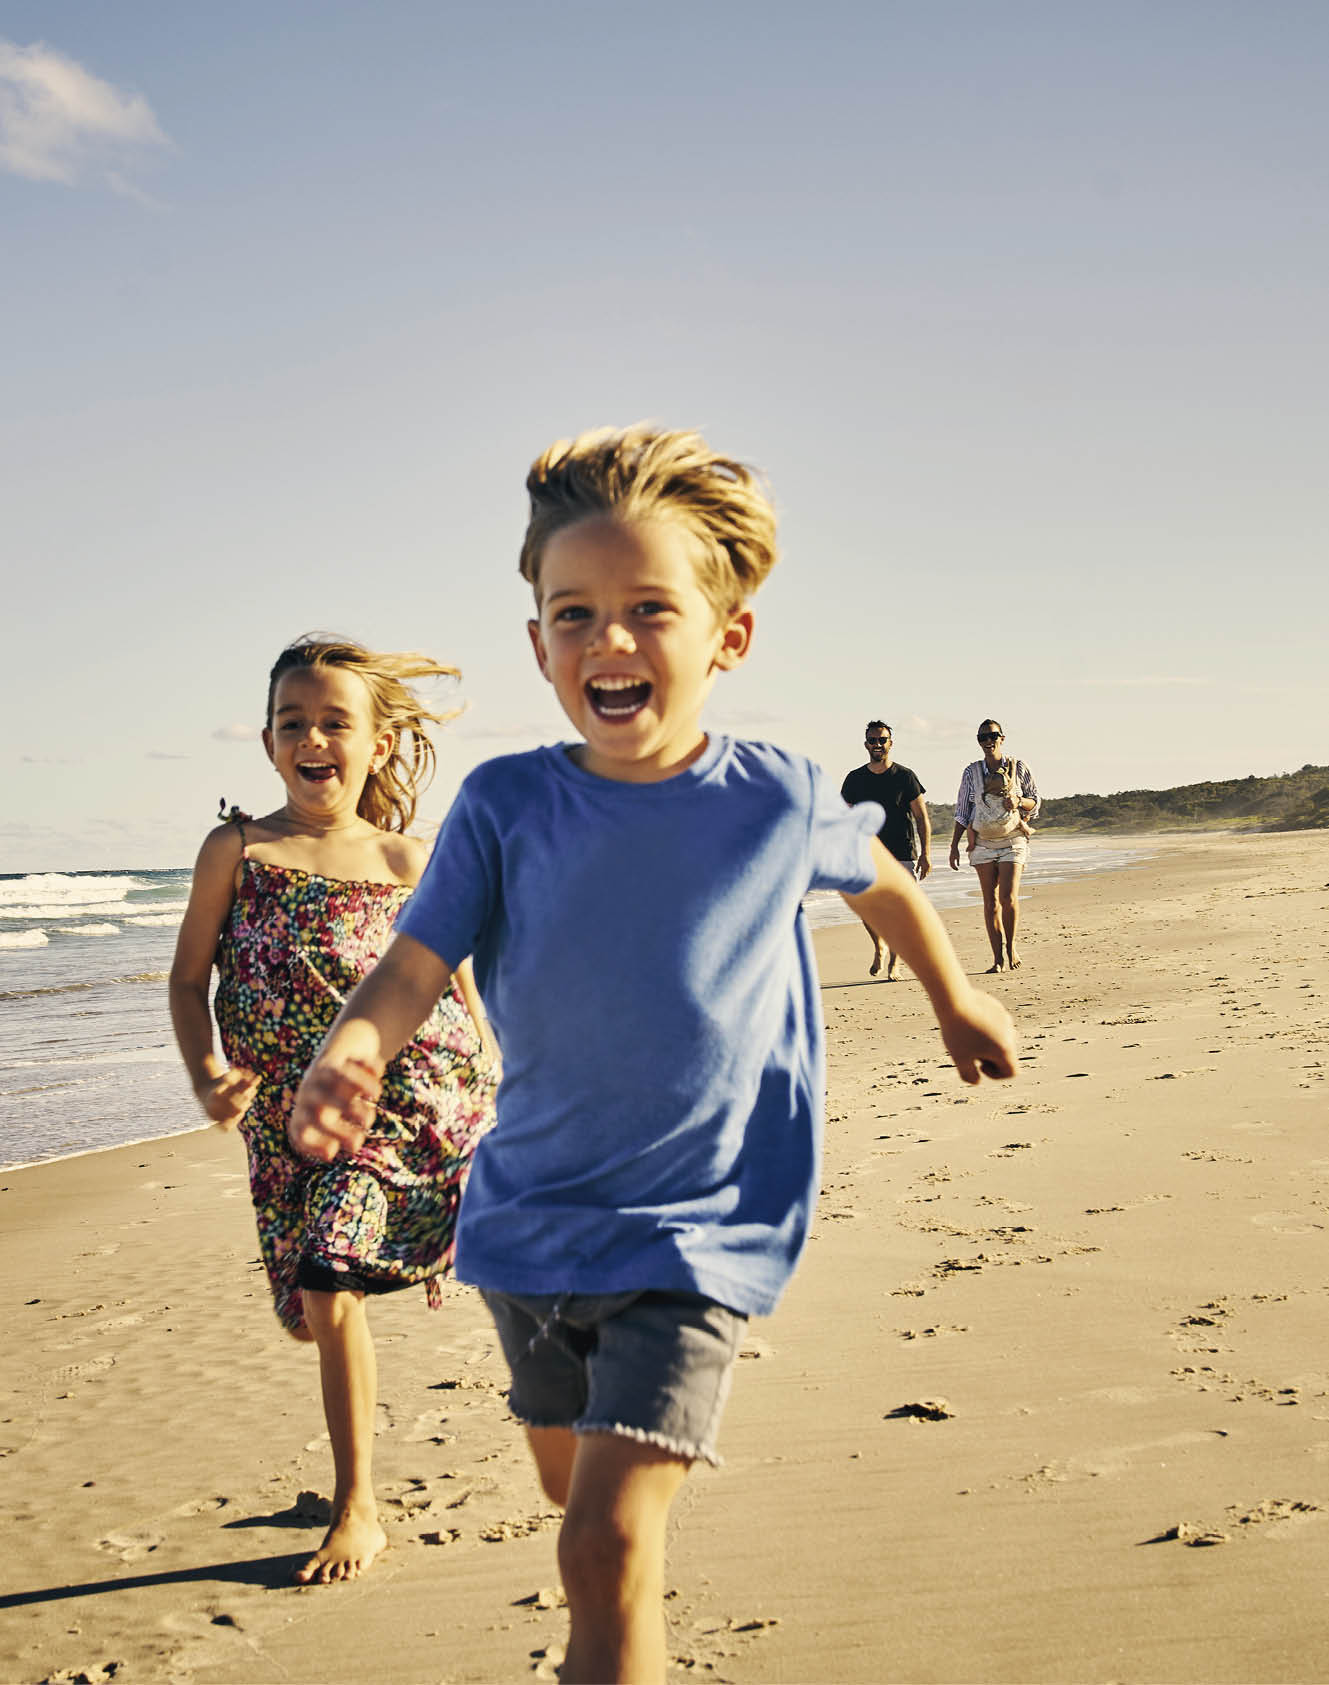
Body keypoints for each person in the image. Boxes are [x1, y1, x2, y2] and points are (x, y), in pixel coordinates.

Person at [286, 426, 1019, 1683]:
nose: (607, 642)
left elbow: (886, 877)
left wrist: (955, 999)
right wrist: (350, 1044)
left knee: (605, 1544)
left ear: (728, 636)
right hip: (526, 1230)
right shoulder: (508, 804)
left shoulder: (773, 795)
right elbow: (414, 963)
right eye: (573, 614)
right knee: (586, 1530)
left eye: (647, 611)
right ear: (537, 643)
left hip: (698, 1228)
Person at [169, 635, 497, 1585]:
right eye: (292, 722)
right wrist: (206, 1072)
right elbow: (190, 981)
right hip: (286, 1121)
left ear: (379, 741)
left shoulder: (406, 857)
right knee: (315, 1305)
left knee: (327, 1277)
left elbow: (463, 990)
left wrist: (499, 1070)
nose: (312, 737)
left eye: (334, 721)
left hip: (410, 1101)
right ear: (269, 741)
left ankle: (359, 1508)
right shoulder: (237, 849)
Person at [840, 720, 932, 978]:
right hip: (866, 854)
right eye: (873, 740)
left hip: (902, 852)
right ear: (866, 744)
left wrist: (926, 854)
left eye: (882, 740)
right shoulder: (854, 779)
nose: (877, 745)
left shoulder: (905, 776)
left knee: (900, 911)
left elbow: (921, 817)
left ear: (891, 743)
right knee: (867, 906)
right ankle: (879, 946)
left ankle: (894, 962)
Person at [947, 718, 1040, 973]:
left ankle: (1011, 948)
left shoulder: (1018, 767)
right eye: (983, 737)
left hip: (1013, 839)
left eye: (992, 736)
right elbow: (962, 811)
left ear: (1002, 738)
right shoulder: (971, 772)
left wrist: (1019, 800)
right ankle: (997, 958)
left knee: (1007, 897)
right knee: (990, 902)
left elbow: (1036, 800)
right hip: (983, 842)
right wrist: (954, 845)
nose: (988, 741)